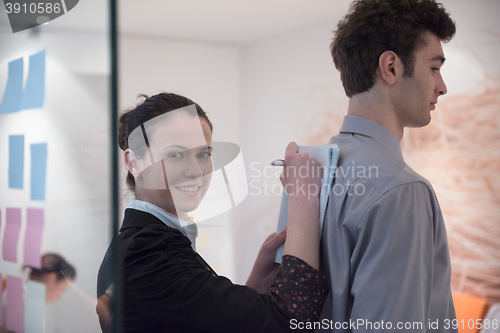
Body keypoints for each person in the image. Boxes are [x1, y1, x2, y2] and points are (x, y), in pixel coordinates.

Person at [97, 92, 328, 332]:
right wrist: (303, 196)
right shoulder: (148, 251)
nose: (195, 170)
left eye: (203, 154)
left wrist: (258, 283)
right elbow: (289, 323)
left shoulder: (139, 242)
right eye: (175, 154)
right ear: (134, 163)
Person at [317, 0, 457, 332]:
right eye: (434, 67)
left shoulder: (312, 167)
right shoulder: (401, 191)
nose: (442, 86)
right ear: (391, 67)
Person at [1, 253, 76, 333]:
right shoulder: (27, 306)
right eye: (62, 289)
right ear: (51, 278)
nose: (59, 297)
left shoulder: (23, 295)